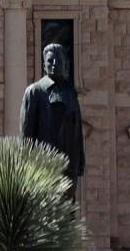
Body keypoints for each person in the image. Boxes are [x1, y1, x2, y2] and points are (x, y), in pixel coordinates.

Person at [19, 42, 85, 182]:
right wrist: (25, 167)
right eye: (50, 60)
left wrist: (80, 160)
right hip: (44, 166)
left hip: (69, 165)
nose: (54, 64)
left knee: (68, 203)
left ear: (65, 64)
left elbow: (77, 129)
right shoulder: (34, 91)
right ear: (44, 65)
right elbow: (26, 133)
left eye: (58, 60)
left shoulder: (70, 92)